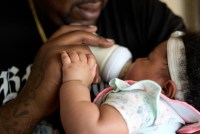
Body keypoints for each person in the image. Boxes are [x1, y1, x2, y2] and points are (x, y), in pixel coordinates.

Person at [0, 0, 185, 133]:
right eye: (145, 57)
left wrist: (75, 83)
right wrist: (32, 102)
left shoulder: (147, 16)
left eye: (146, 58)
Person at [59, 31, 200, 134]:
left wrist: (75, 81)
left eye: (148, 58)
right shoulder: (173, 121)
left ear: (166, 89)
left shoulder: (143, 101)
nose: (138, 59)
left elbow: (89, 129)